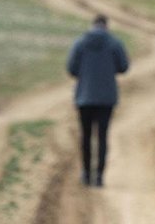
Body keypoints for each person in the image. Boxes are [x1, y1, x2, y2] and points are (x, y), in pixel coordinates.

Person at [67, 14, 129, 187]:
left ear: (92, 25)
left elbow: (71, 69)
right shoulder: (115, 43)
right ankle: (99, 177)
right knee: (102, 136)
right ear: (106, 26)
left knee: (85, 136)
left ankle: (86, 173)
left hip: (84, 97)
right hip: (106, 98)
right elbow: (124, 67)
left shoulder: (80, 43)